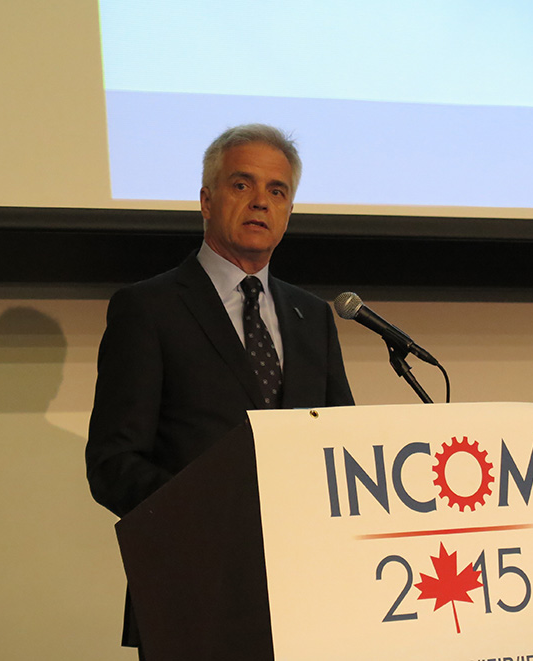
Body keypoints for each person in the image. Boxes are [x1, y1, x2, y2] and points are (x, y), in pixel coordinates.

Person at [86, 123, 354, 658]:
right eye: (241, 184)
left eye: (277, 190)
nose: (261, 201)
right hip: (193, 594)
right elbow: (113, 463)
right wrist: (209, 513)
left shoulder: (312, 317)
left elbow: (342, 444)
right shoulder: (149, 308)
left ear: (289, 212)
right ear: (207, 200)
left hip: (305, 594)